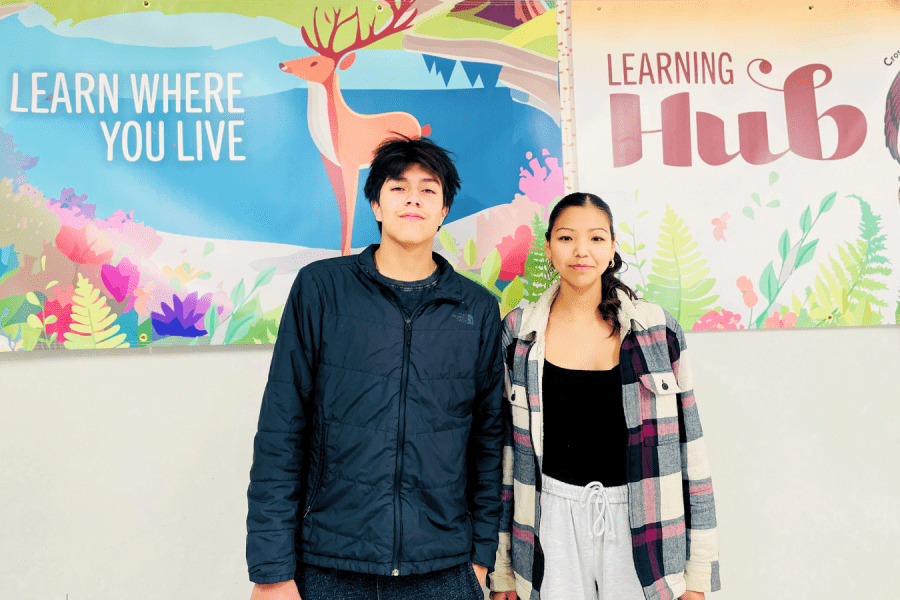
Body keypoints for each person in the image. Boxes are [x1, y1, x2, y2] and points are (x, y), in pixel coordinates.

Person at [246, 136, 505, 600]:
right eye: (398, 187)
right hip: (328, 564)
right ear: (376, 204)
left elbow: (488, 442)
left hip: (444, 568)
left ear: (444, 210)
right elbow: (281, 430)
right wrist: (271, 570)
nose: (413, 199)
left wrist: (481, 558)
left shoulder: (477, 308)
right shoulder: (321, 290)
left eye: (429, 190)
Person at [489, 193, 720, 600]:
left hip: (645, 522)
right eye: (566, 238)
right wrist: (503, 569)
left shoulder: (656, 331)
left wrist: (698, 573)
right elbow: (506, 456)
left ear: (612, 247)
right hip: (548, 520)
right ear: (548, 248)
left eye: (596, 239)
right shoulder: (519, 333)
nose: (581, 251)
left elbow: (691, 452)